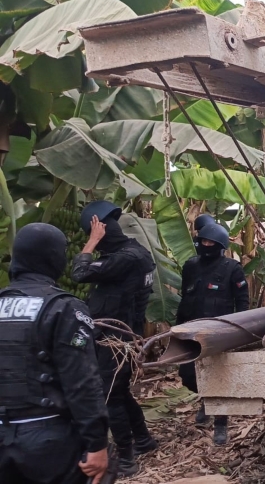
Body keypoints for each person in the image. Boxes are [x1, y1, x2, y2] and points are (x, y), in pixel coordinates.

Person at [0, 223, 109, 484]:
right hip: (48, 439)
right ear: (53, 258)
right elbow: (82, 381)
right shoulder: (64, 308)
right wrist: (97, 442)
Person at [72, 201, 158, 476]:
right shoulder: (134, 252)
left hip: (116, 339)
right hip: (120, 335)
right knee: (118, 391)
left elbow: (79, 273)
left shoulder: (125, 259)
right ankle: (143, 440)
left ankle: (126, 459)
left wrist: (91, 242)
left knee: (109, 396)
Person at [175, 222, 249, 446]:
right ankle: (207, 399)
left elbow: (242, 302)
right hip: (190, 330)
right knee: (188, 376)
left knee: (218, 377)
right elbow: (185, 295)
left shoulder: (232, 268)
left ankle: (220, 423)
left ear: (220, 245)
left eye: (211, 242)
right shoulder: (190, 266)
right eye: (204, 241)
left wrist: (238, 332)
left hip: (219, 332)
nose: (206, 245)